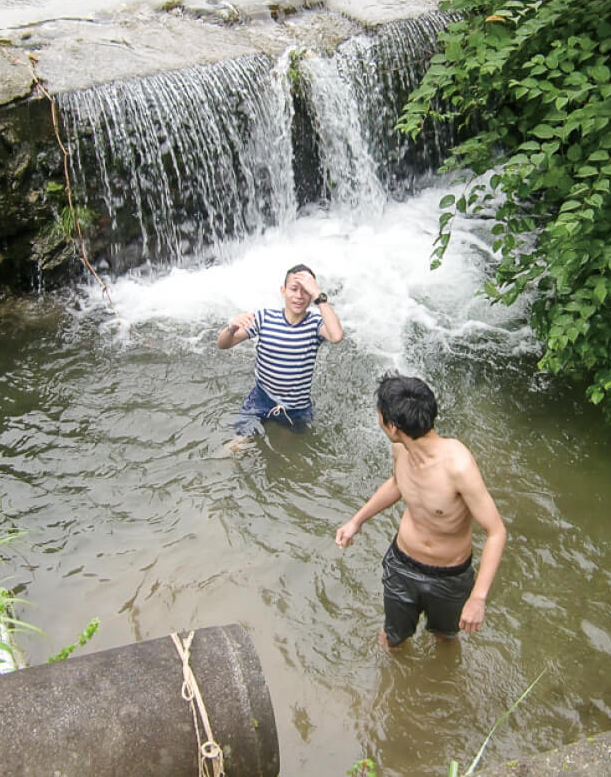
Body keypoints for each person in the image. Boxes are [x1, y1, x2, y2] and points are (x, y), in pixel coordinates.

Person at [334, 373, 507, 647]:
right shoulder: (401, 449)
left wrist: (478, 598)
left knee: (446, 637)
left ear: (391, 426)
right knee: (392, 638)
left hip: (449, 576)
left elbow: (496, 531)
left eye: (379, 413)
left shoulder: (458, 466)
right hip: (402, 564)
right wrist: (357, 520)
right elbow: (398, 484)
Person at [217, 264, 344, 442]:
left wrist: (318, 296)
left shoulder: (315, 322)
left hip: (296, 407)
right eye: (294, 289)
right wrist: (231, 328)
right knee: (237, 446)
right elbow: (223, 344)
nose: (299, 296)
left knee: (286, 451)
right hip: (261, 398)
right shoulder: (265, 318)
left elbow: (337, 336)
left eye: (306, 291)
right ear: (283, 291)